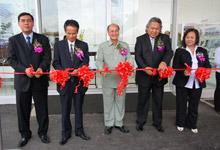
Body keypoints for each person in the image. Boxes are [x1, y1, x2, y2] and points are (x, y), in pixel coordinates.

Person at [7, 12, 51, 147]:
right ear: (19, 23)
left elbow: (47, 57)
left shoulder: (42, 39)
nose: (26, 23)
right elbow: (11, 59)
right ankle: (25, 134)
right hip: (22, 80)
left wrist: (41, 69)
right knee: (23, 110)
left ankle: (43, 132)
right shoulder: (13, 40)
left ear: (33, 23)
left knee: (42, 108)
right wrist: (24, 69)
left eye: (29, 20)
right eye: (23, 20)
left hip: (39, 79)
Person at [53, 20, 90, 145]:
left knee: (79, 108)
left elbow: (85, 61)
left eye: (73, 33)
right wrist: (65, 72)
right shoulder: (58, 45)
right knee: (65, 109)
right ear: (65, 31)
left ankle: (79, 131)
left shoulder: (83, 45)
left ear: (77, 32)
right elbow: (56, 63)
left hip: (78, 82)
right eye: (69, 33)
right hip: (65, 82)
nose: (71, 36)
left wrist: (79, 70)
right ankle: (65, 133)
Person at [135, 17, 173, 133]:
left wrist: (164, 62)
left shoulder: (165, 38)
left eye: (157, 29)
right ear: (147, 28)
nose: (154, 31)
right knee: (143, 99)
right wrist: (144, 67)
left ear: (160, 29)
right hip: (144, 75)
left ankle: (157, 122)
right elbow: (138, 55)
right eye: (152, 28)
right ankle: (141, 121)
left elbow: (169, 52)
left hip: (159, 76)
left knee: (158, 100)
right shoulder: (140, 39)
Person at [96, 24, 134, 134]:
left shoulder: (124, 46)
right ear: (108, 33)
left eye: (116, 31)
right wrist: (101, 69)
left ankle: (119, 123)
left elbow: (129, 59)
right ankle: (108, 123)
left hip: (121, 80)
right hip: (108, 79)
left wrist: (129, 66)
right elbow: (99, 61)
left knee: (120, 102)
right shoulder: (103, 46)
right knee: (108, 102)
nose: (114, 33)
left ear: (119, 32)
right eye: (111, 31)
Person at [172, 28, 211, 133]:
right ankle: (180, 123)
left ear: (196, 38)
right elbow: (175, 66)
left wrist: (205, 71)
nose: (189, 39)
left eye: (192, 37)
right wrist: (183, 72)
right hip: (183, 82)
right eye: (187, 37)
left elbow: (207, 65)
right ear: (184, 38)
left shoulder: (202, 51)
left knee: (194, 104)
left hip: (197, 82)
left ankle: (192, 124)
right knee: (181, 104)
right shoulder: (180, 51)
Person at [214, 46, 220, 114]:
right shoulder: (218, 49)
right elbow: (217, 61)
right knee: (219, 89)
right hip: (219, 72)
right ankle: (217, 107)